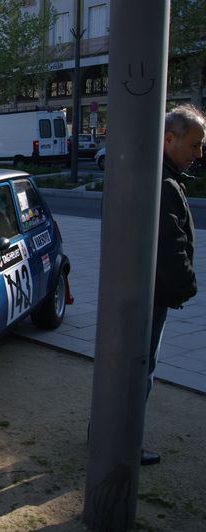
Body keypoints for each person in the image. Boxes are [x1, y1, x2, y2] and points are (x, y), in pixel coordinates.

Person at [142, 105, 203, 466]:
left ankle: (106, 434)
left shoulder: (161, 175)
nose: (199, 154)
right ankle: (122, 441)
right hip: (151, 295)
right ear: (169, 139)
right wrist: (186, 286)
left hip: (147, 292)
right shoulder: (164, 183)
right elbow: (171, 245)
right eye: (195, 145)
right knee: (140, 371)